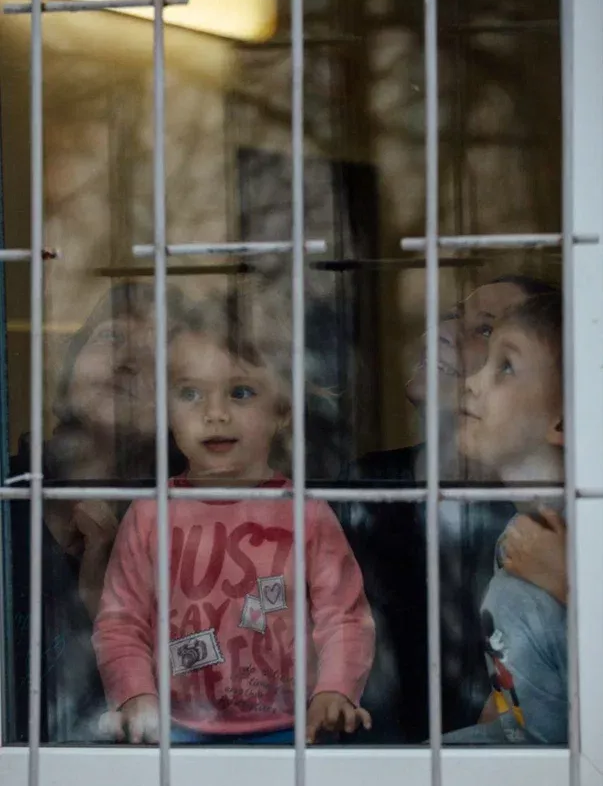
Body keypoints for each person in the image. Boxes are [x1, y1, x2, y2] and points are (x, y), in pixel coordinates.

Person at [93, 307, 375, 745]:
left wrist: (334, 691)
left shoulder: (305, 513)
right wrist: (136, 696)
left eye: (240, 393)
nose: (215, 413)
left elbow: (344, 616)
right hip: (174, 732)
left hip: (294, 729)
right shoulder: (150, 514)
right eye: (190, 394)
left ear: (282, 409)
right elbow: (121, 622)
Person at [338, 274, 559, 744]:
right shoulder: (360, 488)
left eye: (485, 330)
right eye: (453, 316)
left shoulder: (548, 528)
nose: (439, 331)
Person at [9, 281, 189, 743]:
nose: (127, 360)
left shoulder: (194, 518)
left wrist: (99, 592)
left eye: (156, 352)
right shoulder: (9, 491)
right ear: (67, 370)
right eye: (110, 336)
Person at [447, 290, 566, 744]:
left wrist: (567, 582)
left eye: (506, 367)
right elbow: (512, 698)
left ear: (563, 420)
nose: (472, 382)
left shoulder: (583, 537)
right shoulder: (519, 532)